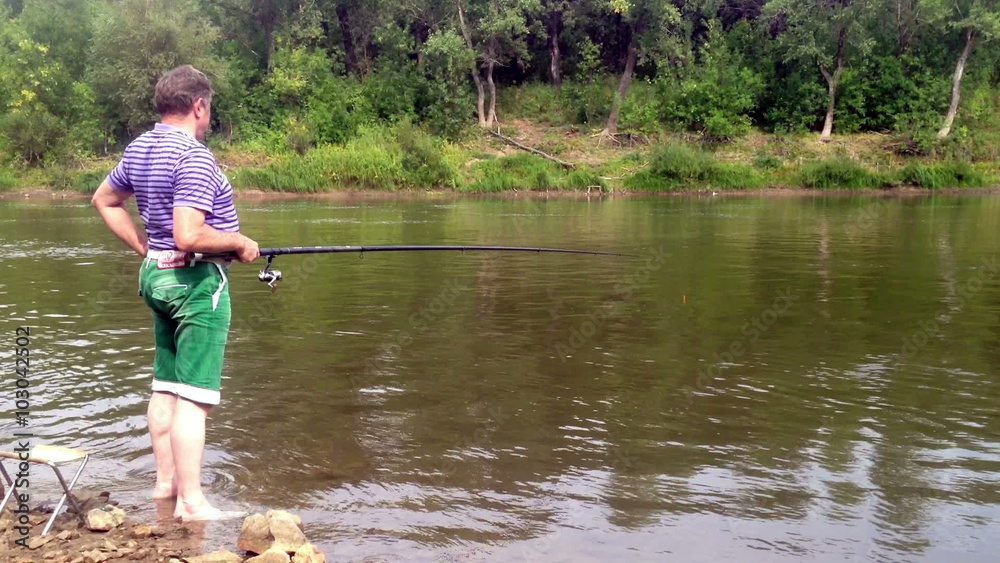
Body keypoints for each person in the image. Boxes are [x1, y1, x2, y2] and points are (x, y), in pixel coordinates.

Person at [91, 64, 260, 521]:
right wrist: (239, 242)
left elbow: (104, 200)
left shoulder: (140, 148)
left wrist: (145, 248)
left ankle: (165, 486)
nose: (209, 117)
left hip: (157, 277)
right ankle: (192, 502)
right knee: (194, 395)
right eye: (210, 109)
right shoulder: (195, 156)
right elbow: (189, 235)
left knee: (165, 386)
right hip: (195, 284)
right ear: (199, 105)